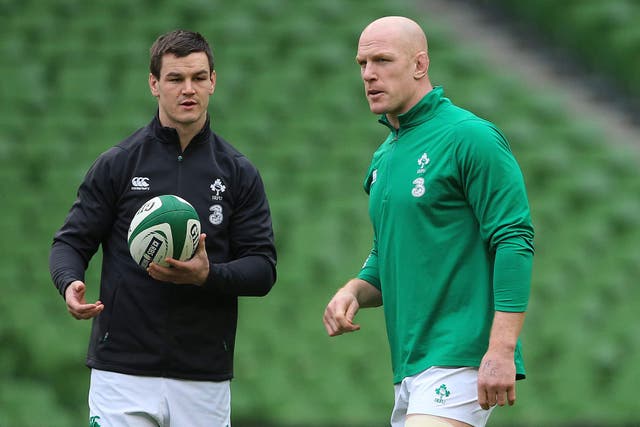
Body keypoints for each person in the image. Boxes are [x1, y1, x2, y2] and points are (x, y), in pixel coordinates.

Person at [49, 29, 277, 427]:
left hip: (203, 376)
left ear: (213, 82)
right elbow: (71, 242)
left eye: (198, 77)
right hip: (121, 372)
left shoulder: (238, 172)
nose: (188, 89)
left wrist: (208, 275)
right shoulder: (119, 164)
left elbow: (262, 268)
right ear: (154, 84)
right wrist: (69, 282)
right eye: (175, 79)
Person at [323, 16, 534, 427]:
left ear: (420, 64)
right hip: (409, 368)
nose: (369, 74)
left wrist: (502, 348)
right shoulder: (384, 157)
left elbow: (513, 238)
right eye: (362, 63)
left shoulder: (470, 136)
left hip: (460, 357)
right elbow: (388, 254)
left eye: (382, 60)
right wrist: (353, 290)